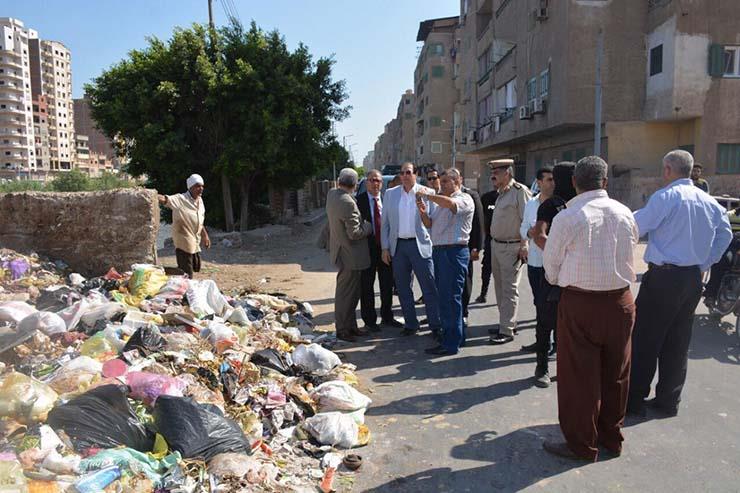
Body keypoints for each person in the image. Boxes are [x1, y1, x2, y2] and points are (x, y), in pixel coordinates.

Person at [542, 156, 638, 462]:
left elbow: (551, 269)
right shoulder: (625, 212)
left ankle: (582, 444)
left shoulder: (568, 217)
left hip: (580, 303)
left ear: (574, 183)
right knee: (617, 374)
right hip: (620, 302)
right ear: (605, 182)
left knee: (578, 377)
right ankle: (612, 438)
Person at [628, 150, 732, 417]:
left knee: (646, 339)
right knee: (678, 341)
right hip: (691, 278)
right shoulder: (709, 201)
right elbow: (725, 235)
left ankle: (634, 400)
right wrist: (704, 264)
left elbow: (635, 227)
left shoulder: (666, 197)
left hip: (664, 277)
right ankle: (668, 401)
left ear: (667, 169)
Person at [528, 163, 576, 388]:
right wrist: (562, 257)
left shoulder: (580, 203)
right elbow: (539, 235)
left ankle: (565, 368)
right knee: (545, 322)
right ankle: (542, 367)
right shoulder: (551, 204)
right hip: (553, 274)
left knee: (568, 326)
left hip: (576, 277)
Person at [416, 168, 475, 355]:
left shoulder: (464, 198)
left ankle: (451, 342)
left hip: (453, 252)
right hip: (440, 251)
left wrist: (429, 195)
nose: (442, 185)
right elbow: (430, 224)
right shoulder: (441, 202)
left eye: (446, 181)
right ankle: (454, 337)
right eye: (441, 181)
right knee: (445, 298)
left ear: (458, 181)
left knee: (451, 299)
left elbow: (451, 204)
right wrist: (423, 212)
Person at [381, 162, 441, 336]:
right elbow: (385, 224)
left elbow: (434, 222)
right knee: (403, 287)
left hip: (420, 245)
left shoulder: (427, 193)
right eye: (402, 173)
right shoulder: (391, 194)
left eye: (408, 172)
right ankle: (411, 324)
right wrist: (385, 248)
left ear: (415, 174)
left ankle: (435, 325)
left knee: (429, 287)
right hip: (398, 247)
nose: (405, 176)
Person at [324, 168, 374, 342]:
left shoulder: (332, 195)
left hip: (341, 252)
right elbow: (354, 233)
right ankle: (343, 329)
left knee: (352, 294)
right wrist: (368, 227)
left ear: (339, 181)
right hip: (350, 256)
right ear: (355, 184)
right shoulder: (348, 202)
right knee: (346, 295)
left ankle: (351, 326)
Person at [487, 159, 532, 345]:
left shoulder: (519, 192)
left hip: (511, 246)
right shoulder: (501, 193)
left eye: (497, 172)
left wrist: (524, 245)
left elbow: (527, 220)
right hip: (496, 245)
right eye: (492, 172)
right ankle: (506, 322)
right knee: (499, 287)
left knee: (509, 289)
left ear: (508, 172)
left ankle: (506, 330)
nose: (493, 175)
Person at [357, 169, 403, 331]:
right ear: (366, 182)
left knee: (386, 284)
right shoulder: (358, 202)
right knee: (367, 286)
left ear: (382, 184)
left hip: (385, 249)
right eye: (371, 180)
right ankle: (369, 321)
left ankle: (387, 316)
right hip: (366, 250)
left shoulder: (387, 200)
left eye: (378, 181)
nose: (375, 183)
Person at [518, 166, 554, 354]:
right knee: (539, 303)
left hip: (554, 265)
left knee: (554, 306)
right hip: (535, 262)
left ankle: (556, 343)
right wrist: (530, 233)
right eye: (548, 179)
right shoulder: (531, 203)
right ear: (539, 183)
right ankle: (542, 341)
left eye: (553, 179)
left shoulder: (561, 204)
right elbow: (523, 228)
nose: (552, 183)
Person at [158, 174, 211, 278]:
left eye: (202, 186)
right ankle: (185, 289)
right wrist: (151, 194)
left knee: (196, 266)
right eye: (198, 186)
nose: (201, 189)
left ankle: (169, 272)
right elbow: (165, 199)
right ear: (190, 187)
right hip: (183, 240)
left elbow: (200, 220)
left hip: (195, 240)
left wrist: (205, 236)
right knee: (187, 272)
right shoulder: (181, 199)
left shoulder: (200, 201)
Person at [703, 205, 740, 307]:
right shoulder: (728, 215)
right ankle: (710, 295)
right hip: (730, 248)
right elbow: (720, 232)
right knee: (720, 263)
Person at [475, 182, 499, 303]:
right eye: (493, 178)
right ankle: (483, 293)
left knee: (504, 270)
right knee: (487, 267)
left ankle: (504, 296)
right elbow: (481, 217)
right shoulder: (486, 197)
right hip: (490, 239)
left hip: (506, 240)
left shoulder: (512, 197)